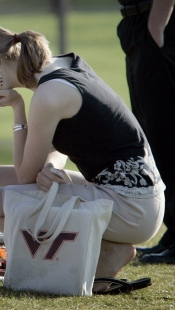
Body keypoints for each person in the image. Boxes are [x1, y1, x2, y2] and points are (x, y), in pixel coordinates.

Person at [0, 24, 165, 293]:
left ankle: (101, 251)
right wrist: (51, 166)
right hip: (136, 197)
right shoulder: (63, 67)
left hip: (133, 208)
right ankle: (108, 247)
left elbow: (24, 176)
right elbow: (66, 140)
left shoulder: (49, 94)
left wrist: (17, 108)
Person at [116, 0, 175, 263]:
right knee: (154, 134)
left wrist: (156, 26)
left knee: (167, 133)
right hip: (136, 24)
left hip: (155, 21)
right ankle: (174, 231)